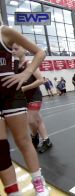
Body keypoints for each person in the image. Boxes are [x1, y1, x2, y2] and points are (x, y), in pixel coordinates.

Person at [0, 21, 49, 195]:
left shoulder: (4, 32)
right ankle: (13, 191)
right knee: (1, 147)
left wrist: (26, 73)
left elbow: (40, 52)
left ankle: (38, 181)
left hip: (11, 95)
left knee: (23, 141)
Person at [13, 43, 53, 154]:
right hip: (24, 98)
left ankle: (34, 136)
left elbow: (41, 80)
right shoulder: (15, 66)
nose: (13, 51)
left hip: (34, 96)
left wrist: (25, 88)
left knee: (31, 121)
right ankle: (47, 140)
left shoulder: (29, 64)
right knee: (37, 120)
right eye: (12, 49)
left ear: (25, 50)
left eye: (16, 48)